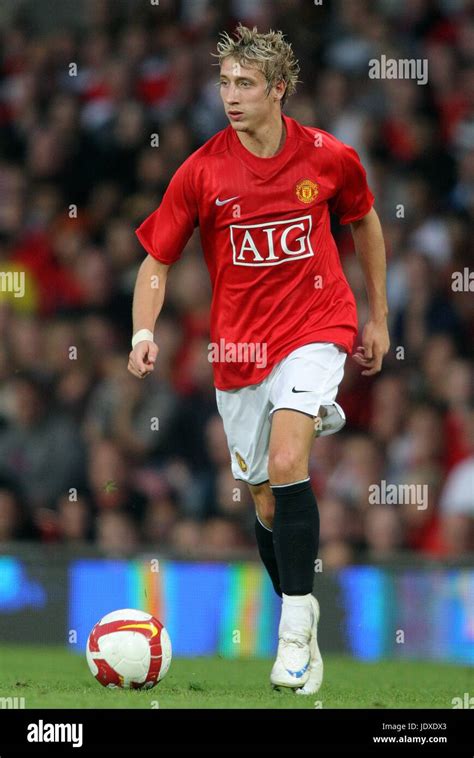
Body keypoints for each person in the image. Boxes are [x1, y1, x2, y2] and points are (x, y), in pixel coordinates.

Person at [129, 24, 389, 694]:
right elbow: (157, 260)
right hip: (240, 350)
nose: (230, 96)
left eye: (245, 84)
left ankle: (294, 636)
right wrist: (142, 332)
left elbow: (364, 222)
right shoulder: (203, 170)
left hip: (316, 323)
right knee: (267, 501)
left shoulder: (329, 157)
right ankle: (296, 610)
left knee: (285, 460)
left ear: (279, 90)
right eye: (224, 83)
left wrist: (380, 317)